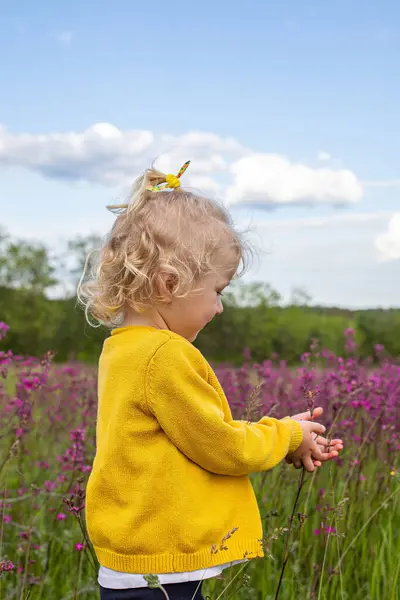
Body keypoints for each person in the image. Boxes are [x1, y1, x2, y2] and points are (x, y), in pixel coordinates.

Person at [79, 162, 343, 600]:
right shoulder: (164, 354)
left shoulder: (121, 348)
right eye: (217, 291)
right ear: (168, 284)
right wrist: (286, 433)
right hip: (163, 572)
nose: (219, 308)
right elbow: (221, 447)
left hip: (133, 563)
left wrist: (287, 438)